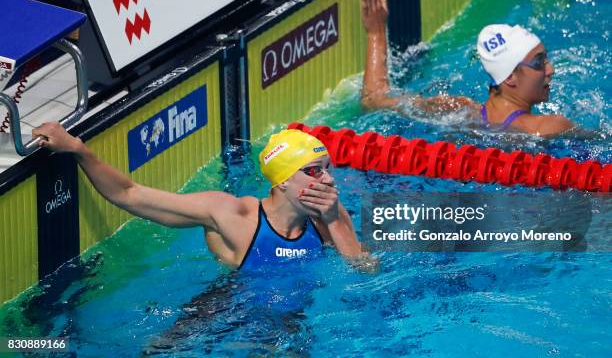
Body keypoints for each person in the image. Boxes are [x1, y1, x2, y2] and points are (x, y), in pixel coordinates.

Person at [33, 122, 370, 270]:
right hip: (230, 318)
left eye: (327, 167)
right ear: (282, 181)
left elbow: (364, 275)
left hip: (296, 322)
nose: (326, 178)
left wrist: (334, 223)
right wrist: (78, 150)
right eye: (312, 170)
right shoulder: (233, 215)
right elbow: (130, 194)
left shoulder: (327, 215)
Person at [359, 0, 575, 136]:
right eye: (539, 63)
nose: (550, 69)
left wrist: (376, 33)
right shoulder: (548, 128)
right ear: (510, 77)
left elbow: (374, 100)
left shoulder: (457, 110)